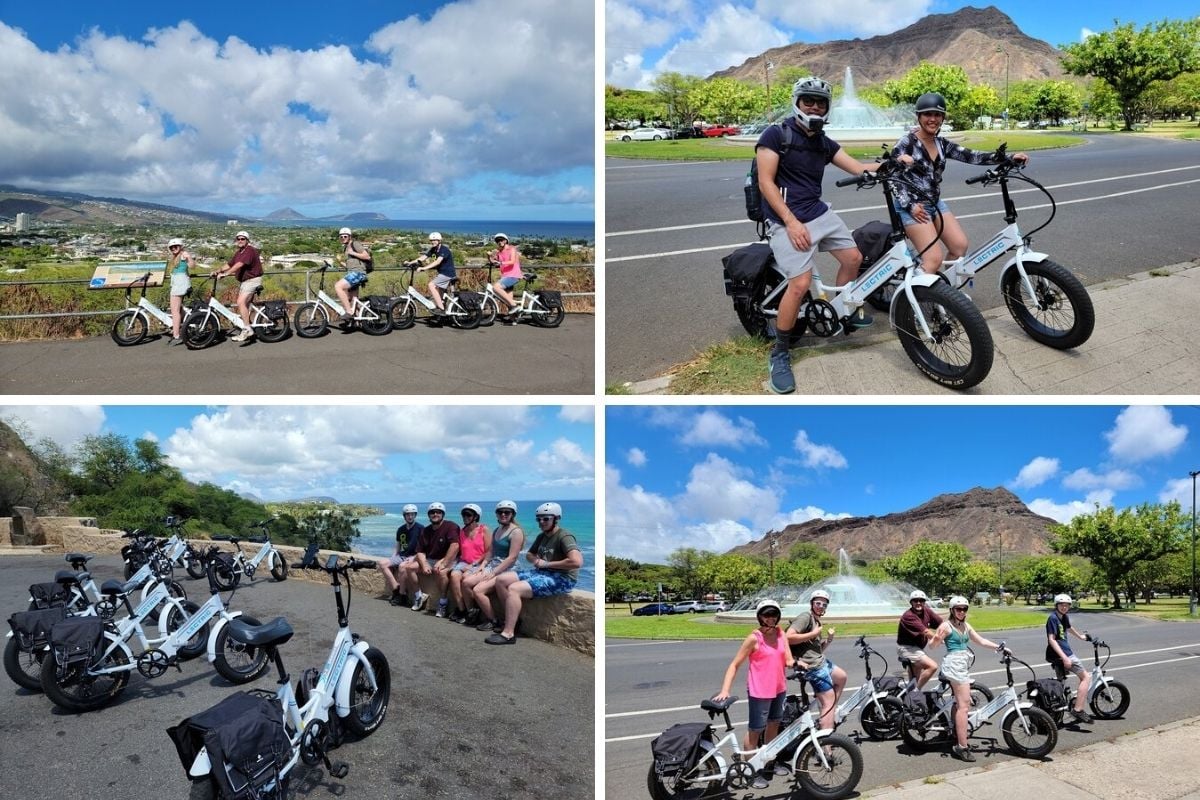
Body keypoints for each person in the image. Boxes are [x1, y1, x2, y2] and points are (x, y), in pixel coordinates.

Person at [756, 77, 906, 395]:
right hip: (787, 219)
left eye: (820, 102)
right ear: (797, 102)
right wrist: (791, 222)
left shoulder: (823, 141)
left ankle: (840, 312)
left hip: (818, 212)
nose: (814, 107)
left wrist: (891, 163)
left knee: (853, 257)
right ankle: (780, 353)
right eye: (808, 101)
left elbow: (856, 167)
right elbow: (765, 183)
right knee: (799, 285)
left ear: (827, 108)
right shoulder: (776, 134)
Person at [890, 92, 1028, 274]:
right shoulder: (906, 143)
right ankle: (915, 299)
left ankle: (946, 295)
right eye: (927, 114)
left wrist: (1008, 158)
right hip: (912, 205)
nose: (933, 119)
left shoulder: (941, 144)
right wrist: (910, 205)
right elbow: (892, 176)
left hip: (934, 202)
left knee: (959, 247)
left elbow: (972, 155)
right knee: (933, 260)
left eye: (937, 115)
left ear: (943, 118)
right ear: (919, 117)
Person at [713, 599, 795, 789]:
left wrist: (801, 665)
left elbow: (788, 660)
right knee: (755, 731)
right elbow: (734, 664)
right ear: (760, 617)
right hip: (759, 692)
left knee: (774, 725)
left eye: (774, 614)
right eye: (767, 615)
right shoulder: (754, 638)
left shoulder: (781, 633)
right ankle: (750, 769)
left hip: (779, 689)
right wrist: (725, 690)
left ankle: (768, 763)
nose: (771, 618)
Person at [486, 502, 581, 645]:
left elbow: (576, 562)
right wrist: (536, 561)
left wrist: (547, 564)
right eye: (539, 519)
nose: (541, 522)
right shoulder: (542, 536)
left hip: (562, 578)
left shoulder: (565, 536)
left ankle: (508, 633)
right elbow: (530, 554)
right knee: (501, 579)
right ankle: (513, 618)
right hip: (542, 572)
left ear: (556, 518)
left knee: (514, 588)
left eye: (546, 519)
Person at [929, 595, 1003, 762]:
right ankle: (961, 747)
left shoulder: (965, 625)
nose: (961, 612)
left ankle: (956, 730)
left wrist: (1000, 647)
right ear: (952, 610)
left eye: (964, 609)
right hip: (954, 665)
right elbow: (932, 647)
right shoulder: (946, 626)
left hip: (962, 665)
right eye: (958, 609)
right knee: (964, 706)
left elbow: (981, 641)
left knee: (958, 703)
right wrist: (936, 638)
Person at [785, 588, 848, 732]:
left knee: (842, 677)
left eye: (824, 605)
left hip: (821, 661)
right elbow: (788, 637)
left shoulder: (817, 621)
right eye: (818, 603)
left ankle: (827, 710)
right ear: (812, 603)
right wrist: (813, 633)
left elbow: (816, 650)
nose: (821, 606)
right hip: (813, 667)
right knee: (829, 701)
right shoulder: (805, 617)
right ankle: (826, 746)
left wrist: (829, 640)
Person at [464, 500, 525, 632]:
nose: (503, 514)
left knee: (478, 590)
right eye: (500, 512)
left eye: (507, 512)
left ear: (512, 514)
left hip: (507, 568)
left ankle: (494, 620)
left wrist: (494, 572)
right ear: (496, 514)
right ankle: (477, 614)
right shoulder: (497, 530)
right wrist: (483, 565)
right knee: (467, 582)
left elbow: (512, 557)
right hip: (493, 564)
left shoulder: (516, 532)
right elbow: (490, 551)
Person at [397, 502, 460, 613]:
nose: (435, 514)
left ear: (443, 514)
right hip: (431, 559)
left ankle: (443, 602)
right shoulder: (426, 530)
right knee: (409, 568)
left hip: (448, 558)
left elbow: (455, 546)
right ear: (429, 515)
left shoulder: (451, 526)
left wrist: (444, 563)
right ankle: (419, 596)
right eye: (432, 512)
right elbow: (420, 551)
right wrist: (424, 564)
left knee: (440, 572)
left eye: (438, 512)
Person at [1045, 593, 1094, 724]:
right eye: (1061, 605)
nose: (1064, 607)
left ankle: (1057, 711)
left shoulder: (1063, 617)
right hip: (1062, 653)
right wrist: (1065, 657)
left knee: (1061, 683)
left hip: (1059, 654)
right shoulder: (1053, 618)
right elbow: (1051, 639)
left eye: (1067, 605)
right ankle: (1078, 710)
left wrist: (1081, 637)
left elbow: (1068, 627)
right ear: (1056, 605)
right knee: (1086, 677)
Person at [212, 231, 263, 342]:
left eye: (243, 239)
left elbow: (239, 265)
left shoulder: (249, 250)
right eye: (238, 239)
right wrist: (218, 270)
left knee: (240, 302)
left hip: (252, 280)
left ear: (247, 240)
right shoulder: (239, 252)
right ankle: (248, 326)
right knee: (245, 305)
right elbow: (230, 264)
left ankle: (247, 329)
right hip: (246, 282)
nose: (240, 240)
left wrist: (226, 274)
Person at [447, 504, 492, 624]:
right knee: (454, 575)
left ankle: (473, 610)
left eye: (469, 515)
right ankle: (462, 609)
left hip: (480, 563)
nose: (465, 517)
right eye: (464, 514)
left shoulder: (484, 530)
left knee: (466, 578)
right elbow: (457, 549)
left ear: (476, 517)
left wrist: (474, 564)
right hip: (464, 562)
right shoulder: (462, 532)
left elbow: (489, 551)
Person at [376, 504, 423, 606]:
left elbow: (423, 548)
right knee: (382, 563)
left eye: (412, 514)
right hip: (402, 555)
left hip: (414, 556)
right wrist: (393, 558)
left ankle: (402, 595)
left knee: (402, 567)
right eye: (408, 515)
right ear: (404, 516)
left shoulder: (420, 528)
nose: (410, 517)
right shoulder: (401, 529)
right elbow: (398, 546)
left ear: (415, 515)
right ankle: (396, 589)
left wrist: (414, 558)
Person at [896, 589, 944, 690]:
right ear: (911, 602)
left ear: (924, 602)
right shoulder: (908, 616)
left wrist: (952, 632)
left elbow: (941, 623)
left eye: (921, 600)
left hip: (916, 648)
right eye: (915, 600)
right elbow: (926, 632)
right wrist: (940, 639)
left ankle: (910, 696)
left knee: (914, 680)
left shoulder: (926, 610)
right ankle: (915, 693)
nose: (918, 603)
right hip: (907, 648)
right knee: (932, 666)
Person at [404, 231, 455, 316]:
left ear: (439, 241)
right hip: (442, 273)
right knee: (440, 293)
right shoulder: (433, 249)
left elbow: (438, 262)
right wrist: (410, 263)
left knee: (431, 285)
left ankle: (441, 309)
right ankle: (442, 309)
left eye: (435, 240)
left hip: (447, 274)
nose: (433, 242)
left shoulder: (444, 249)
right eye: (431, 240)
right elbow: (423, 257)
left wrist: (424, 268)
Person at [333, 227, 373, 329]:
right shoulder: (346, 248)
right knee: (353, 300)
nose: (343, 238)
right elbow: (350, 266)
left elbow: (367, 256)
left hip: (358, 274)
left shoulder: (354, 244)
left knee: (338, 286)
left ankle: (349, 312)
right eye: (341, 236)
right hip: (353, 273)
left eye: (345, 236)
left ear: (350, 236)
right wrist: (339, 262)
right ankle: (360, 322)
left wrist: (352, 253)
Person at [487, 233, 523, 322]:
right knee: (508, 299)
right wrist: (489, 255)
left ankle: (515, 306)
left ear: (505, 240)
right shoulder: (500, 252)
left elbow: (512, 261)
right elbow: (493, 261)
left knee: (496, 287)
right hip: (506, 276)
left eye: (501, 240)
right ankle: (513, 320)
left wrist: (501, 263)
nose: (499, 242)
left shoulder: (512, 249)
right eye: (498, 241)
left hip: (513, 275)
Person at [164, 237, 194, 345]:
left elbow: (192, 266)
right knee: (178, 309)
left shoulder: (183, 254)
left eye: (176, 246)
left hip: (180, 285)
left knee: (174, 311)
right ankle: (183, 326)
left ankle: (176, 336)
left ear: (180, 247)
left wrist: (189, 258)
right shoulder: (175, 257)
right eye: (171, 247)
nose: (173, 249)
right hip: (179, 284)